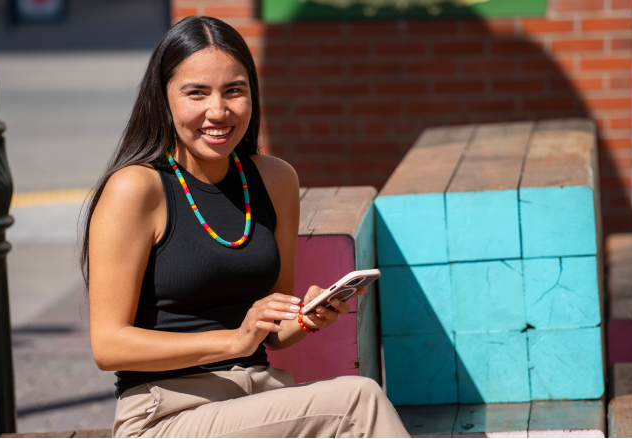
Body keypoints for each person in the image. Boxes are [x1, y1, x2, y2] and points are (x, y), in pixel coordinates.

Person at [81, 15, 410, 438]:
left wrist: (306, 317)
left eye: (233, 91)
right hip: (166, 414)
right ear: (163, 99)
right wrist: (234, 341)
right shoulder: (135, 188)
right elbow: (108, 346)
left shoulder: (274, 180)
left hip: (258, 400)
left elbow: (273, 333)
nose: (217, 111)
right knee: (358, 403)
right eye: (196, 93)